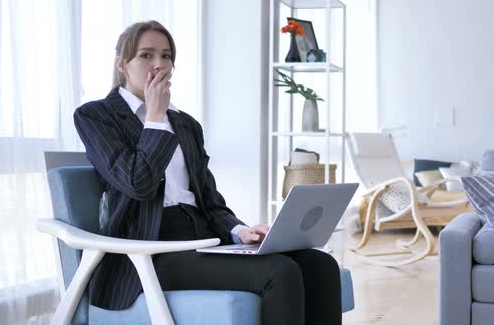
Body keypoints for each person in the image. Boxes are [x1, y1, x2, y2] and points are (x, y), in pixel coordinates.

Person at [73, 20, 342, 325]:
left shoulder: (186, 124)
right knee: (279, 272)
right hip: (148, 251)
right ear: (122, 64)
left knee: (320, 264)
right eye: (146, 55)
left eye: (167, 55)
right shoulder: (95, 115)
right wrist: (156, 116)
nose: (159, 64)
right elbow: (138, 183)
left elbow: (210, 201)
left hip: (204, 240)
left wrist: (241, 232)